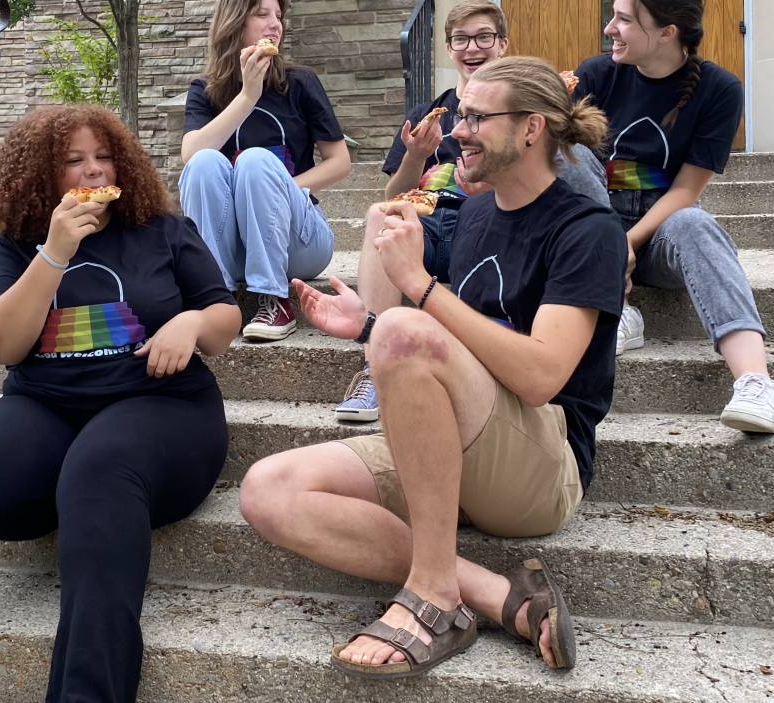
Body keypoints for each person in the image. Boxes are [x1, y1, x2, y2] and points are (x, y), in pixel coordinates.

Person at [239, 57, 628, 678]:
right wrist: (367, 324)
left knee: (404, 325)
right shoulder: (472, 216)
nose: (458, 130)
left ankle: (432, 595)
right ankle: (492, 592)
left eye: (477, 117)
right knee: (268, 491)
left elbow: (540, 377)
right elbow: (424, 332)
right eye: (462, 115)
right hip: (459, 444)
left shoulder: (588, 230)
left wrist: (416, 293)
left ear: (531, 128)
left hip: (541, 463)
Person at [0, 106, 242, 702]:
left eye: (103, 157)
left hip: (164, 407)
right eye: (73, 161)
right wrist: (53, 253)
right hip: (47, 408)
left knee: (100, 467)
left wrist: (190, 321)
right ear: (42, 175)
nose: (91, 172)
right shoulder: (21, 242)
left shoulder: (160, 228)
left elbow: (226, 315)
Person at [336, 0, 609, 422]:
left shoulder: (577, 221)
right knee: (380, 215)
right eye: (460, 39)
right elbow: (394, 194)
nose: (471, 47)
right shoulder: (428, 117)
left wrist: (420, 286)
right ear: (447, 48)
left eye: (483, 36)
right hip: (438, 223)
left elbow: (537, 375)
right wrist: (415, 157)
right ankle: (374, 367)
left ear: (503, 44)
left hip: (541, 427)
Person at [575, 0, 774, 433]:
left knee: (695, 224)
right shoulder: (596, 75)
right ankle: (617, 307)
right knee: (569, 154)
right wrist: (606, 243)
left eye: (625, 19)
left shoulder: (719, 89)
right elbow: (573, 178)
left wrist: (625, 244)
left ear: (667, 32)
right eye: (615, 16)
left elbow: (686, 191)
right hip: (592, 232)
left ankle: (756, 382)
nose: (611, 28)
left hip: (658, 233)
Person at [179, 0, 350, 342]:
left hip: (299, 242)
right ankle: (215, 300)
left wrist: (280, 187)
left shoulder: (299, 82)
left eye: (279, 15)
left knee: (255, 161)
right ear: (234, 22)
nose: (276, 24)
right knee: (206, 163)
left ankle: (274, 299)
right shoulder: (205, 89)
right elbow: (190, 156)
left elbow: (340, 162)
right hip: (235, 247)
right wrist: (247, 95)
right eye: (262, 15)